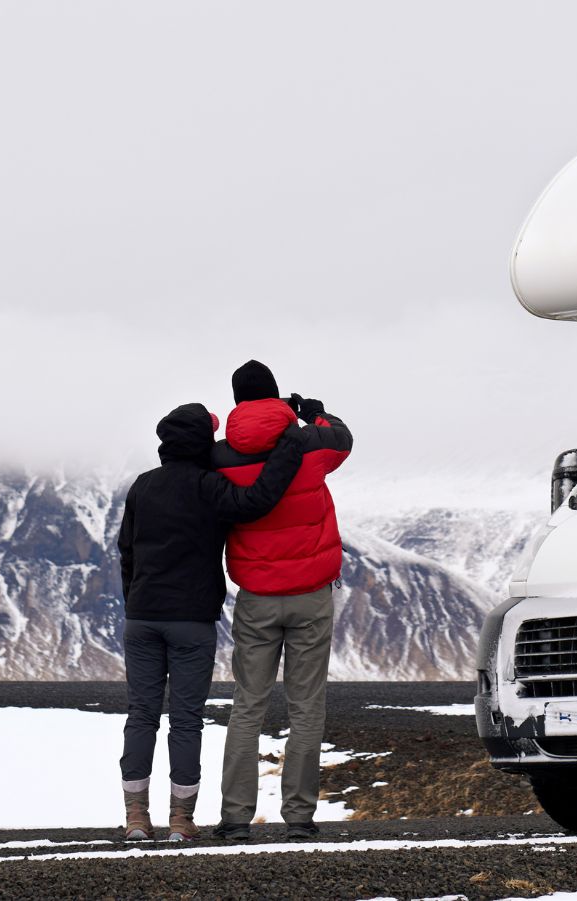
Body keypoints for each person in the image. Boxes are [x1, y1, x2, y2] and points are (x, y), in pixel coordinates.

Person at [114, 402, 320, 843]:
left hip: (142, 618)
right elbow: (259, 499)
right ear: (202, 443)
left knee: (141, 716)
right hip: (191, 621)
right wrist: (288, 446)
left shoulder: (143, 487)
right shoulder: (210, 486)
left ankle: (135, 817)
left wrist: (135, 599)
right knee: (186, 720)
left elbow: (126, 551)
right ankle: (180, 821)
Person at [211, 359, 354, 840]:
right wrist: (314, 412)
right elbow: (342, 437)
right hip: (312, 596)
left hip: (256, 600)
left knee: (247, 705)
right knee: (306, 707)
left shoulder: (222, 457)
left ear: (236, 404)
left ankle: (234, 818)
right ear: (276, 397)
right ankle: (299, 818)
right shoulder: (310, 444)